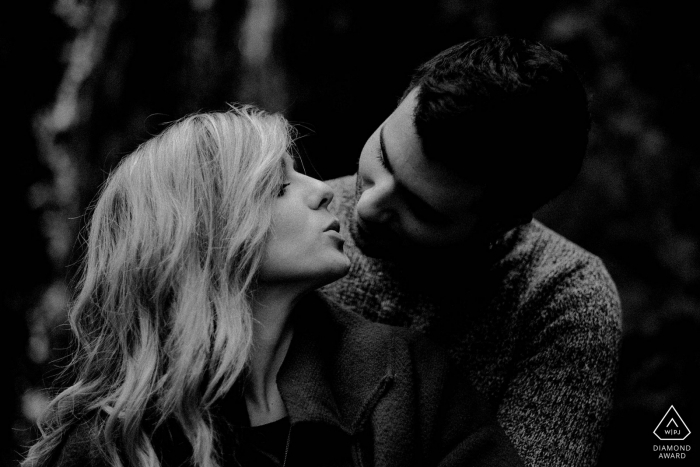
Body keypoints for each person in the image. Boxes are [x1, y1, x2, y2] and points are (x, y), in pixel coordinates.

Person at [22, 106, 524, 467]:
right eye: (279, 187)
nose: (324, 190)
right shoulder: (107, 445)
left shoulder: (414, 379)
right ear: (204, 234)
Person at [320, 35, 622, 467]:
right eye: (383, 156)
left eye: (421, 208)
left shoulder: (562, 300)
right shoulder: (289, 220)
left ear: (501, 222)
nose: (367, 206)